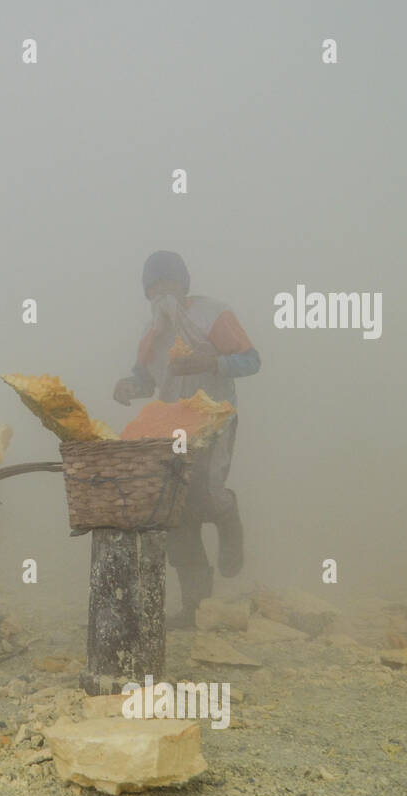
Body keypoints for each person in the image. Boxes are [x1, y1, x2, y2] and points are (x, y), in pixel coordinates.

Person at [113, 251, 260, 628]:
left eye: (169, 285)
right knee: (174, 512)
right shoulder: (151, 332)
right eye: (154, 288)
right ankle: (196, 607)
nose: (162, 294)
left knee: (206, 494)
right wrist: (129, 386)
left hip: (214, 418)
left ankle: (228, 517)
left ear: (184, 286)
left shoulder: (213, 313)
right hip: (168, 430)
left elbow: (251, 360)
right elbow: (146, 380)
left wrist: (210, 363)